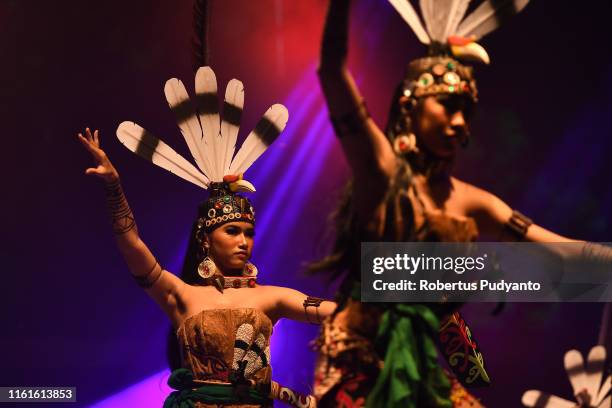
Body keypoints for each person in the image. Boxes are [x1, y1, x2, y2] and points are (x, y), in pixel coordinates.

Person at [311, 1, 612, 407]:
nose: (459, 123)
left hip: (419, 365)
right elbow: (331, 70)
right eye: (449, 107)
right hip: (358, 359)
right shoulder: (379, 169)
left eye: (466, 112)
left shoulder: (472, 203)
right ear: (410, 106)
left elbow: (559, 251)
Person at [78, 66, 336, 407]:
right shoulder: (181, 296)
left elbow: (339, 313)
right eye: (232, 231)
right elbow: (131, 245)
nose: (244, 241)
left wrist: (413, 290)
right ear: (206, 240)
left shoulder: (273, 298)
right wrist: (114, 187)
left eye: (248, 233)